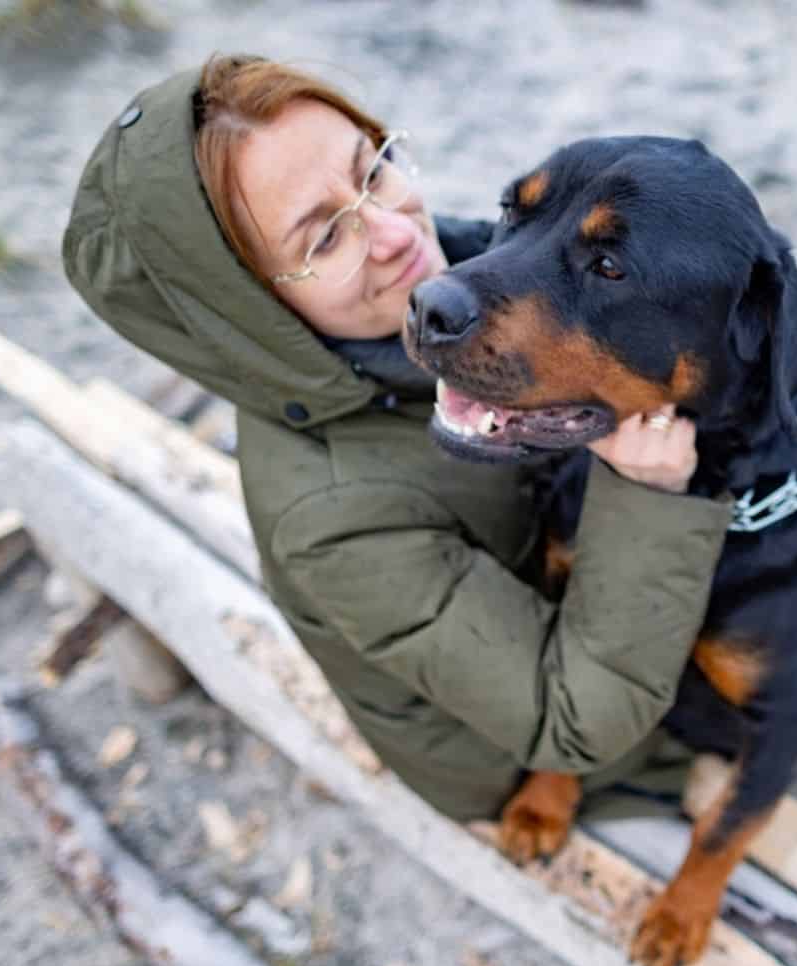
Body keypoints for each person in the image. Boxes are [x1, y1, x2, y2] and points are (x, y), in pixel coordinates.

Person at [63, 55, 731, 821]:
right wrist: (643, 496)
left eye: (374, 166)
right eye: (322, 240)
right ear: (249, 314)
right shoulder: (334, 516)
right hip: (513, 747)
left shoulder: (446, 285)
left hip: (550, 591)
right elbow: (570, 719)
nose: (393, 229)